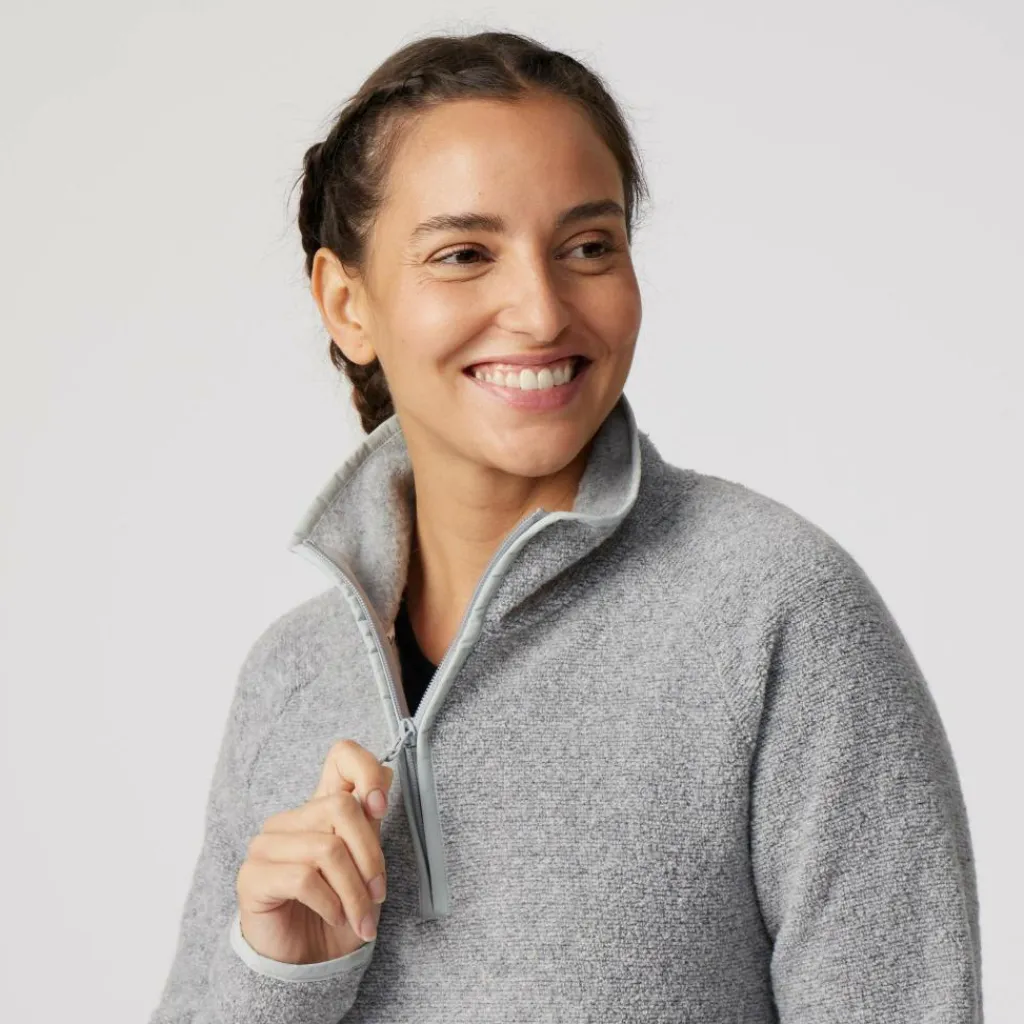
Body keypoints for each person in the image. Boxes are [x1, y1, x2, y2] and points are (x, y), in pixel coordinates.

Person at [148, 29, 983, 1024]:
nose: (541, 312)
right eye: (464, 255)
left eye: (588, 247)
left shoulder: (775, 614)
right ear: (345, 302)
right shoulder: (288, 679)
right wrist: (277, 981)